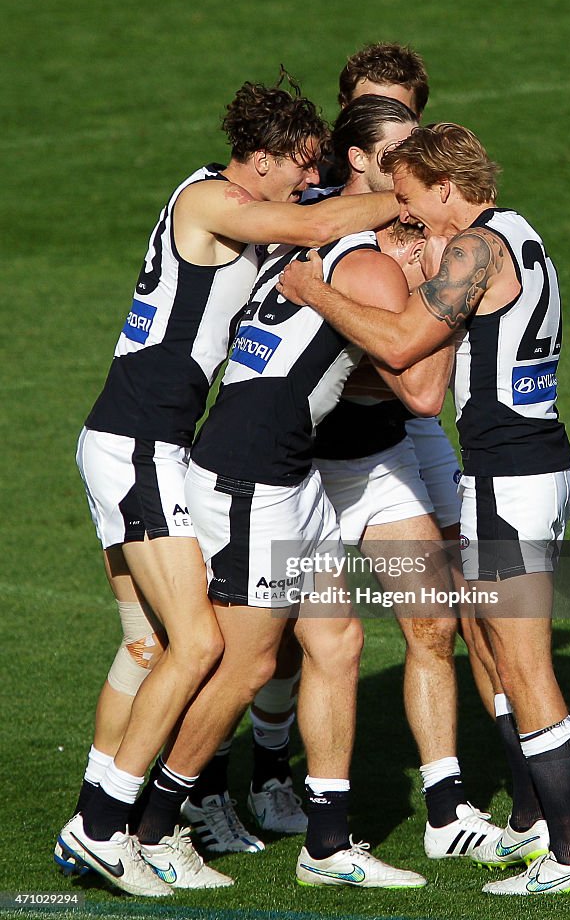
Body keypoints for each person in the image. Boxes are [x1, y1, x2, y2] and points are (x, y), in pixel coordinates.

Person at [56, 74, 402, 897]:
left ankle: (110, 820)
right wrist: (413, 200)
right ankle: (106, 826)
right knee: (201, 645)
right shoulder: (211, 201)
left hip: (150, 447)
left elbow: (311, 208)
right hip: (138, 446)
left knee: (148, 648)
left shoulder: (238, 199)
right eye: (301, 163)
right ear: (266, 158)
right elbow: (320, 219)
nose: (309, 176)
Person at [276, 122, 570, 896]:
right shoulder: (519, 234)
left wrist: (314, 289)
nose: (406, 212)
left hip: (505, 482)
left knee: (522, 665)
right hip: (544, 466)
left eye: (412, 198)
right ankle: (541, 826)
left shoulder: (473, 249)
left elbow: (399, 347)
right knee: (501, 644)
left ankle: (567, 853)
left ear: (446, 189)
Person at [123, 154, 455, 889]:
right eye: (429, 244)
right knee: (244, 665)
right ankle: (150, 829)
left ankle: (327, 845)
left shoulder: (304, 247)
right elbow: (421, 383)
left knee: (336, 641)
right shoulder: (370, 269)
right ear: (402, 228)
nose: (435, 261)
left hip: (284, 470)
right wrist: (450, 308)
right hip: (251, 478)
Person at [310, 97, 504, 858]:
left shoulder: (431, 249)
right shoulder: (355, 252)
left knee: (432, 622)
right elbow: (419, 380)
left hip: (381, 459)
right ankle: (218, 789)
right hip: (302, 472)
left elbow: (417, 395)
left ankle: (446, 810)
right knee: (275, 651)